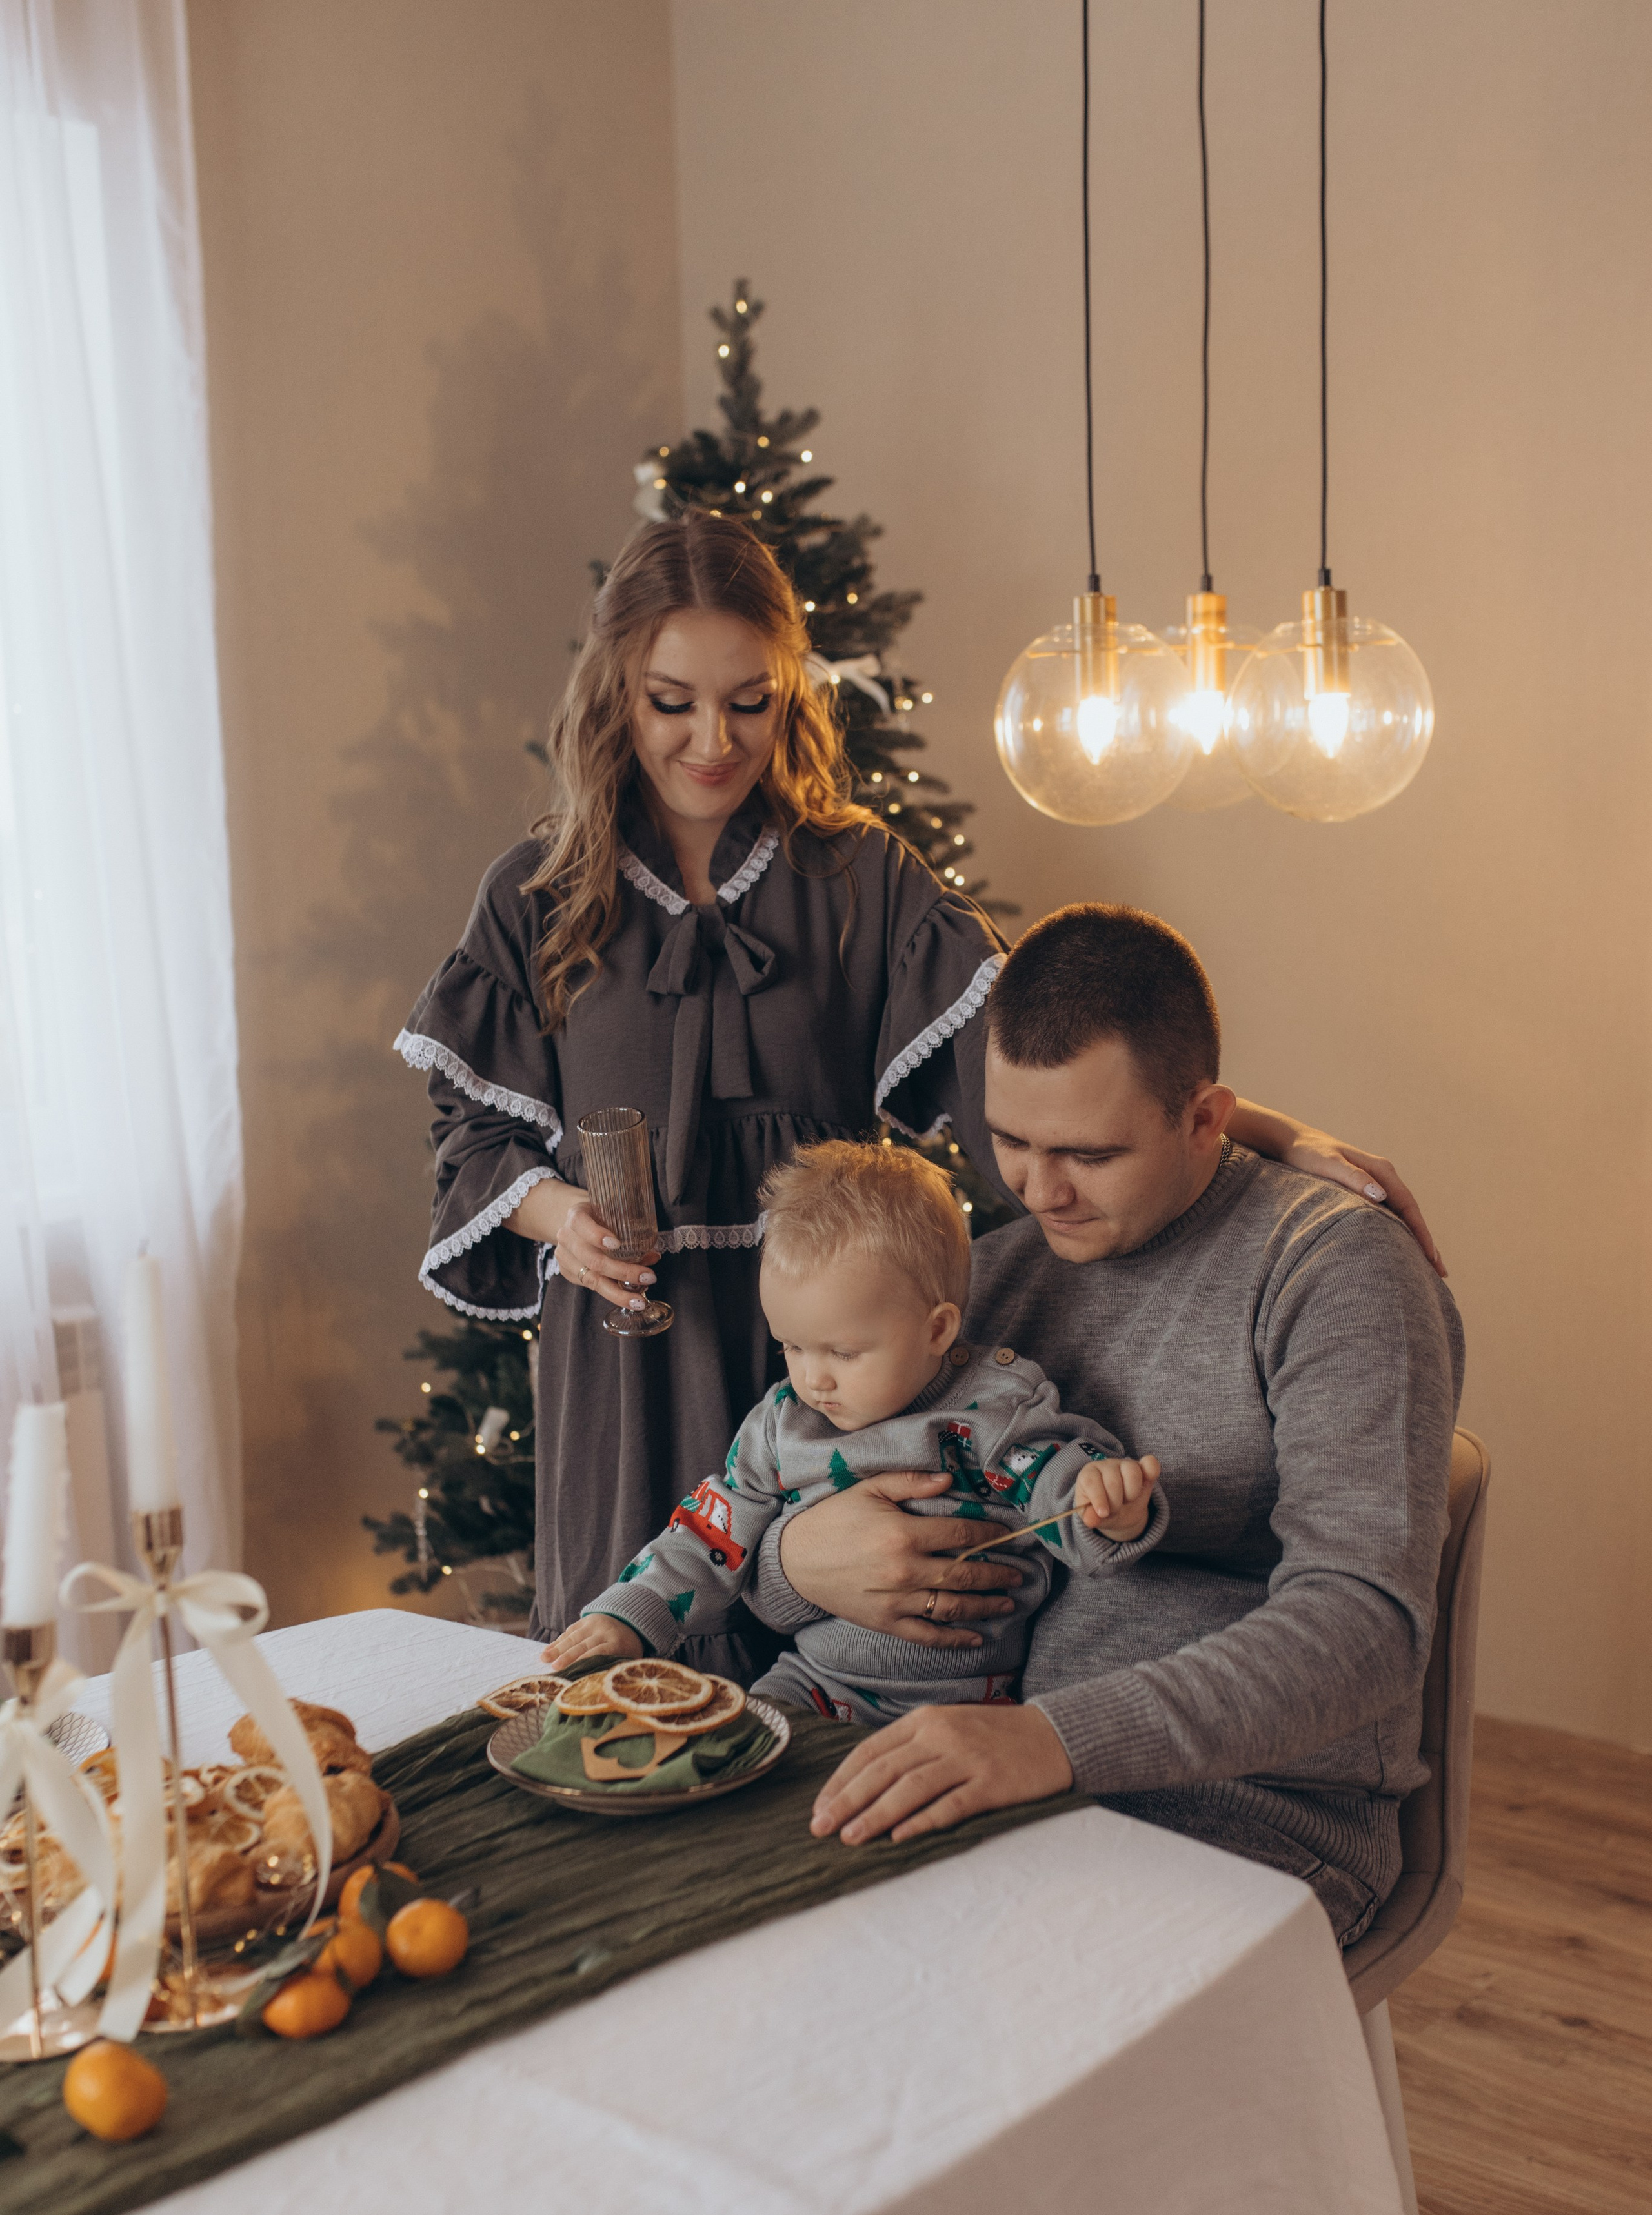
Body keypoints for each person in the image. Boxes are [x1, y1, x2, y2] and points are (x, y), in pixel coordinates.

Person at [396, 512, 1443, 1679]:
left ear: (792, 687)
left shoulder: (857, 879)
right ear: (614, 694)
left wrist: (1251, 1126)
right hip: (630, 1354)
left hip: (838, 1333)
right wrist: (559, 1221)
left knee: (827, 1645)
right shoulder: (537, 895)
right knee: (631, 1656)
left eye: (750, 700)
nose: (712, 741)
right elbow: (471, 1134)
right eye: (671, 701)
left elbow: (1027, 1062)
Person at [758, 904, 1464, 1947]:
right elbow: (776, 1521)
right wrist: (792, 1563)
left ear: (1206, 1118)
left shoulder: (1334, 1269)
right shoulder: (983, 1281)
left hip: (1251, 1812)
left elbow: (1366, 1624)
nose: (1042, 1191)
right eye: (1010, 1142)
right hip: (964, 1763)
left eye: (1088, 1153)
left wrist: (1051, 1741)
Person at [550, 1139, 1165, 1724]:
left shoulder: (995, 1409)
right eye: (791, 1345)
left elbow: (1062, 1485)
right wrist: (630, 1619)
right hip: (812, 1685)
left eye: (843, 1353)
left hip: (967, 1708)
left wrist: (1108, 1507)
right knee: (743, 1756)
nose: (813, 1380)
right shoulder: (783, 1424)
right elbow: (708, 1532)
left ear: (937, 1330)